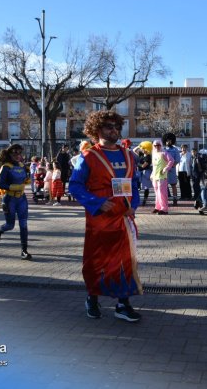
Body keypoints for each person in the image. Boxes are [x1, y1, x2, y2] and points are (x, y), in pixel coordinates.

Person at [68, 110, 142, 322]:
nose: (114, 130)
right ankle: (92, 297)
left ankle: (123, 303)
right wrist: (98, 203)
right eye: (109, 126)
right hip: (100, 220)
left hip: (124, 218)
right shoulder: (88, 156)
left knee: (126, 260)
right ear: (96, 130)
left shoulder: (128, 155)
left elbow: (133, 184)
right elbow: (75, 186)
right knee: (96, 260)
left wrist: (133, 206)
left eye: (116, 126)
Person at [0, 143, 33, 260]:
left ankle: (24, 251)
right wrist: (13, 187)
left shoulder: (21, 165)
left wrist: (26, 180)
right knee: (10, 225)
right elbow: (0, 184)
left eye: (19, 153)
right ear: (9, 153)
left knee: (24, 225)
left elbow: (24, 178)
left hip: (21, 199)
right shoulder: (6, 167)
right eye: (15, 153)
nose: (17, 155)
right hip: (10, 199)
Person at [150, 139, 173, 215]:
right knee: (157, 192)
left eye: (158, 145)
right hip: (155, 176)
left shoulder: (164, 153)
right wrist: (152, 174)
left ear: (161, 145)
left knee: (162, 193)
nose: (157, 147)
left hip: (162, 176)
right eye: (155, 145)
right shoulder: (154, 153)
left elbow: (171, 160)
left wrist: (165, 169)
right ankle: (158, 207)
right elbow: (154, 166)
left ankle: (164, 209)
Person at [162, 133, 180, 206]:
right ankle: (164, 200)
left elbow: (177, 160)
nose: (168, 142)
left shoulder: (175, 149)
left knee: (173, 185)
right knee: (164, 186)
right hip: (164, 170)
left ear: (172, 141)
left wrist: (172, 166)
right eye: (167, 141)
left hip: (172, 170)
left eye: (170, 140)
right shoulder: (163, 149)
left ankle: (175, 199)